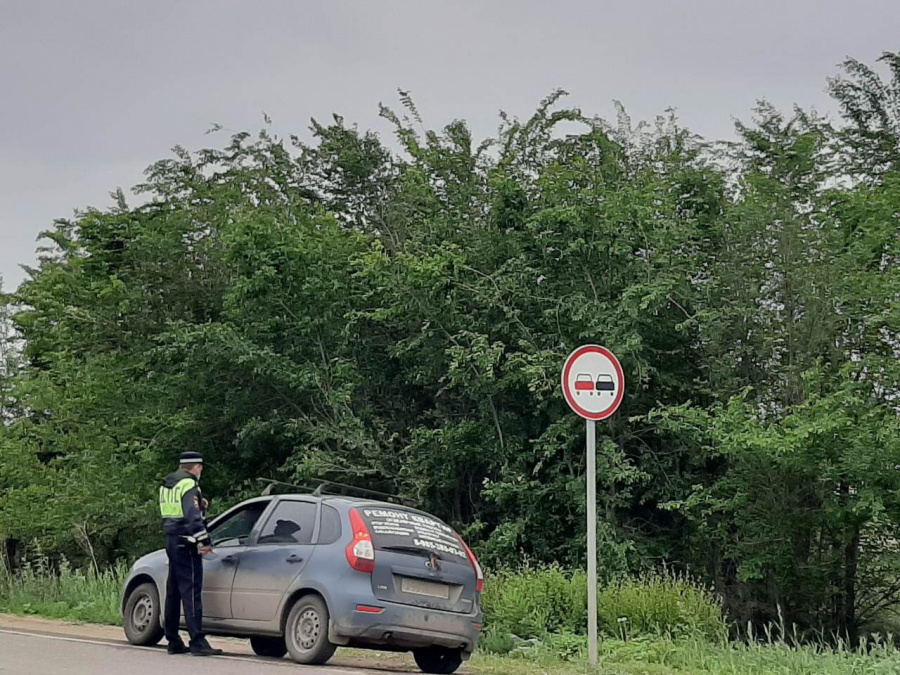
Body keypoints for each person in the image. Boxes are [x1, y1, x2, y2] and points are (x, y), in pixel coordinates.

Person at [158, 451, 223, 657]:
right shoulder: (189, 484)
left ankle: (173, 640)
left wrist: (200, 504)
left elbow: (175, 510)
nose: (201, 470)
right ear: (195, 467)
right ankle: (197, 641)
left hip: (172, 539)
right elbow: (192, 517)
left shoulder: (168, 483)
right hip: (187, 542)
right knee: (192, 591)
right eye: (200, 467)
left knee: (173, 592)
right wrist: (204, 541)